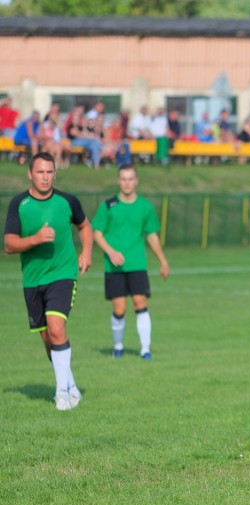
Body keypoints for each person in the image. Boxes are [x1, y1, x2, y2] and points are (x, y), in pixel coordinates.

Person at [4, 152, 93, 411]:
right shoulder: (18, 204)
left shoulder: (68, 201)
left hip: (62, 274)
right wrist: (36, 238)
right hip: (32, 279)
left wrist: (86, 251)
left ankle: (61, 395)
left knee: (56, 329)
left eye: (50, 172)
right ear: (30, 173)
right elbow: (9, 245)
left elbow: (85, 226)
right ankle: (72, 386)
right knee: (48, 340)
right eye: (40, 172)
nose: (45, 177)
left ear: (55, 173)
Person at [92, 165, 169, 361]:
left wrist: (163, 261)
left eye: (130, 178)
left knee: (140, 303)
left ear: (136, 181)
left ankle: (145, 349)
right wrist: (111, 252)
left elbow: (152, 236)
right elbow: (97, 233)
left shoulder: (145, 206)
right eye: (123, 179)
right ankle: (118, 346)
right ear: (118, 181)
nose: (127, 182)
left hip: (137, 265)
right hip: (114, 266)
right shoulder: (108, 206)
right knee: (119, 309)